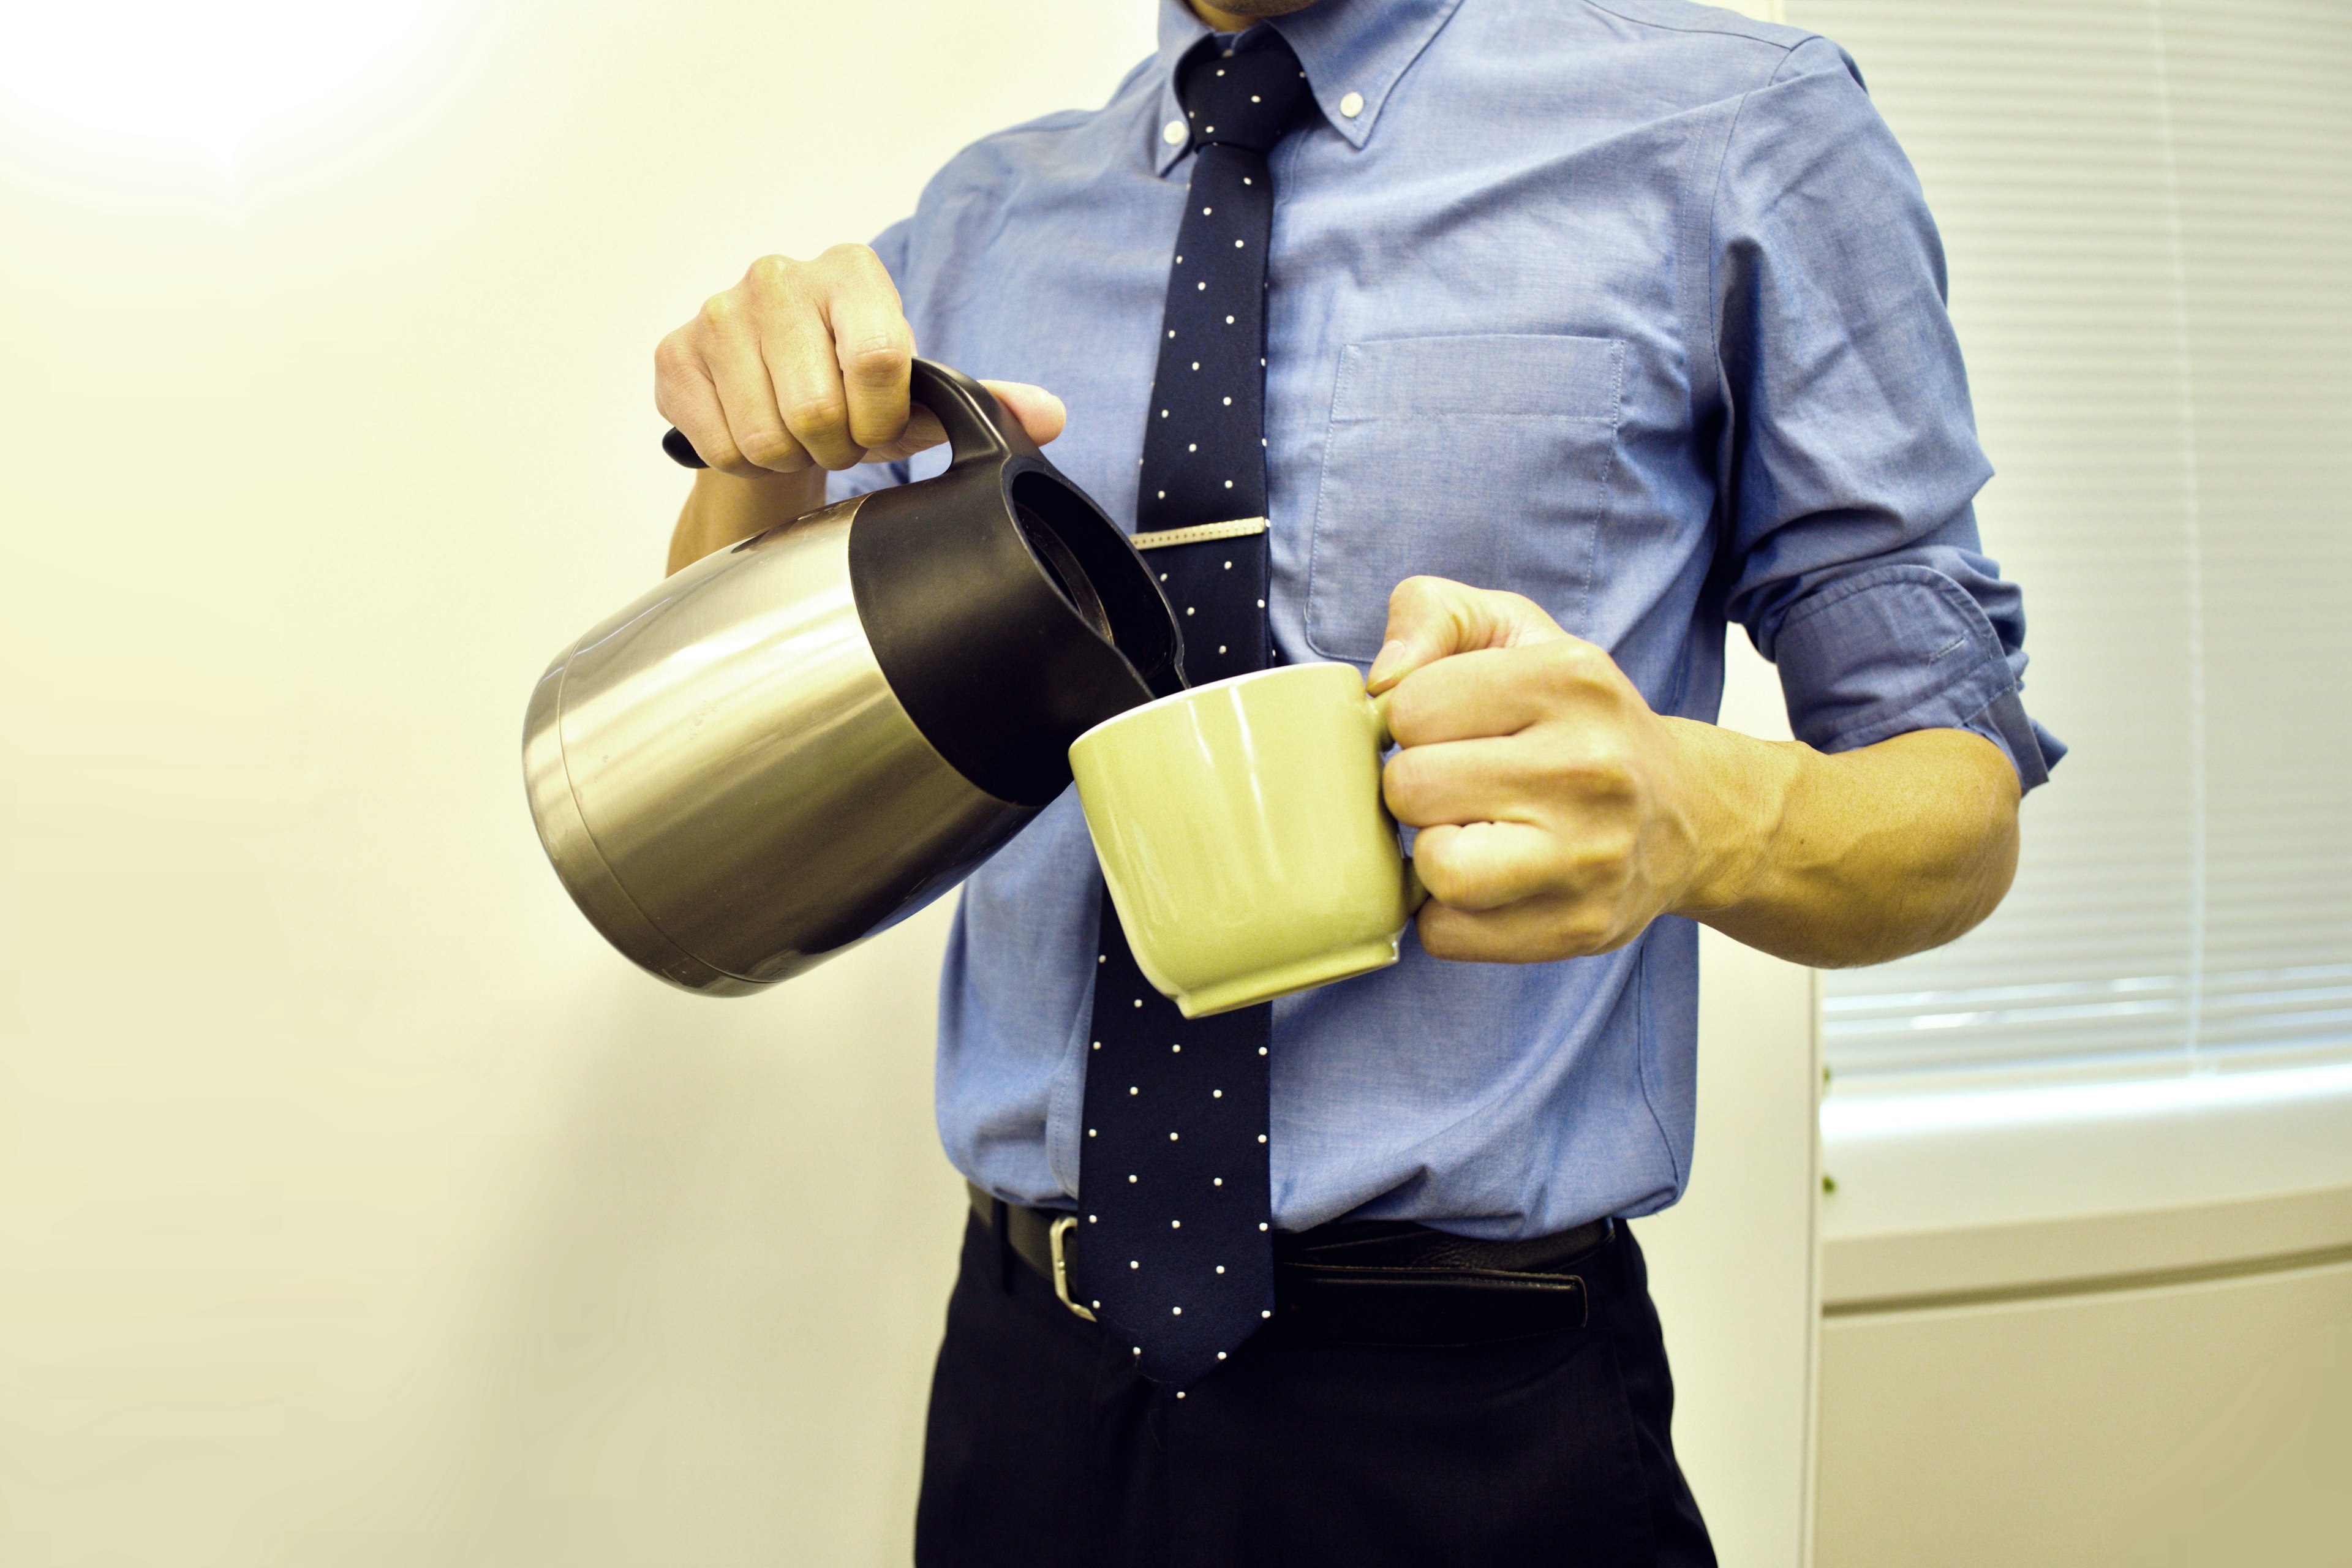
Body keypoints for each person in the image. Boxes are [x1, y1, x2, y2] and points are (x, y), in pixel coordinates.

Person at [654, 0, 2062, 1562]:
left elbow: (1955, 803)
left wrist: (1697, 809)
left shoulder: (1738, 131)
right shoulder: (979, 226)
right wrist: (751, 463)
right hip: (1023, 1401)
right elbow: (731, 783)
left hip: (1473, 1432)